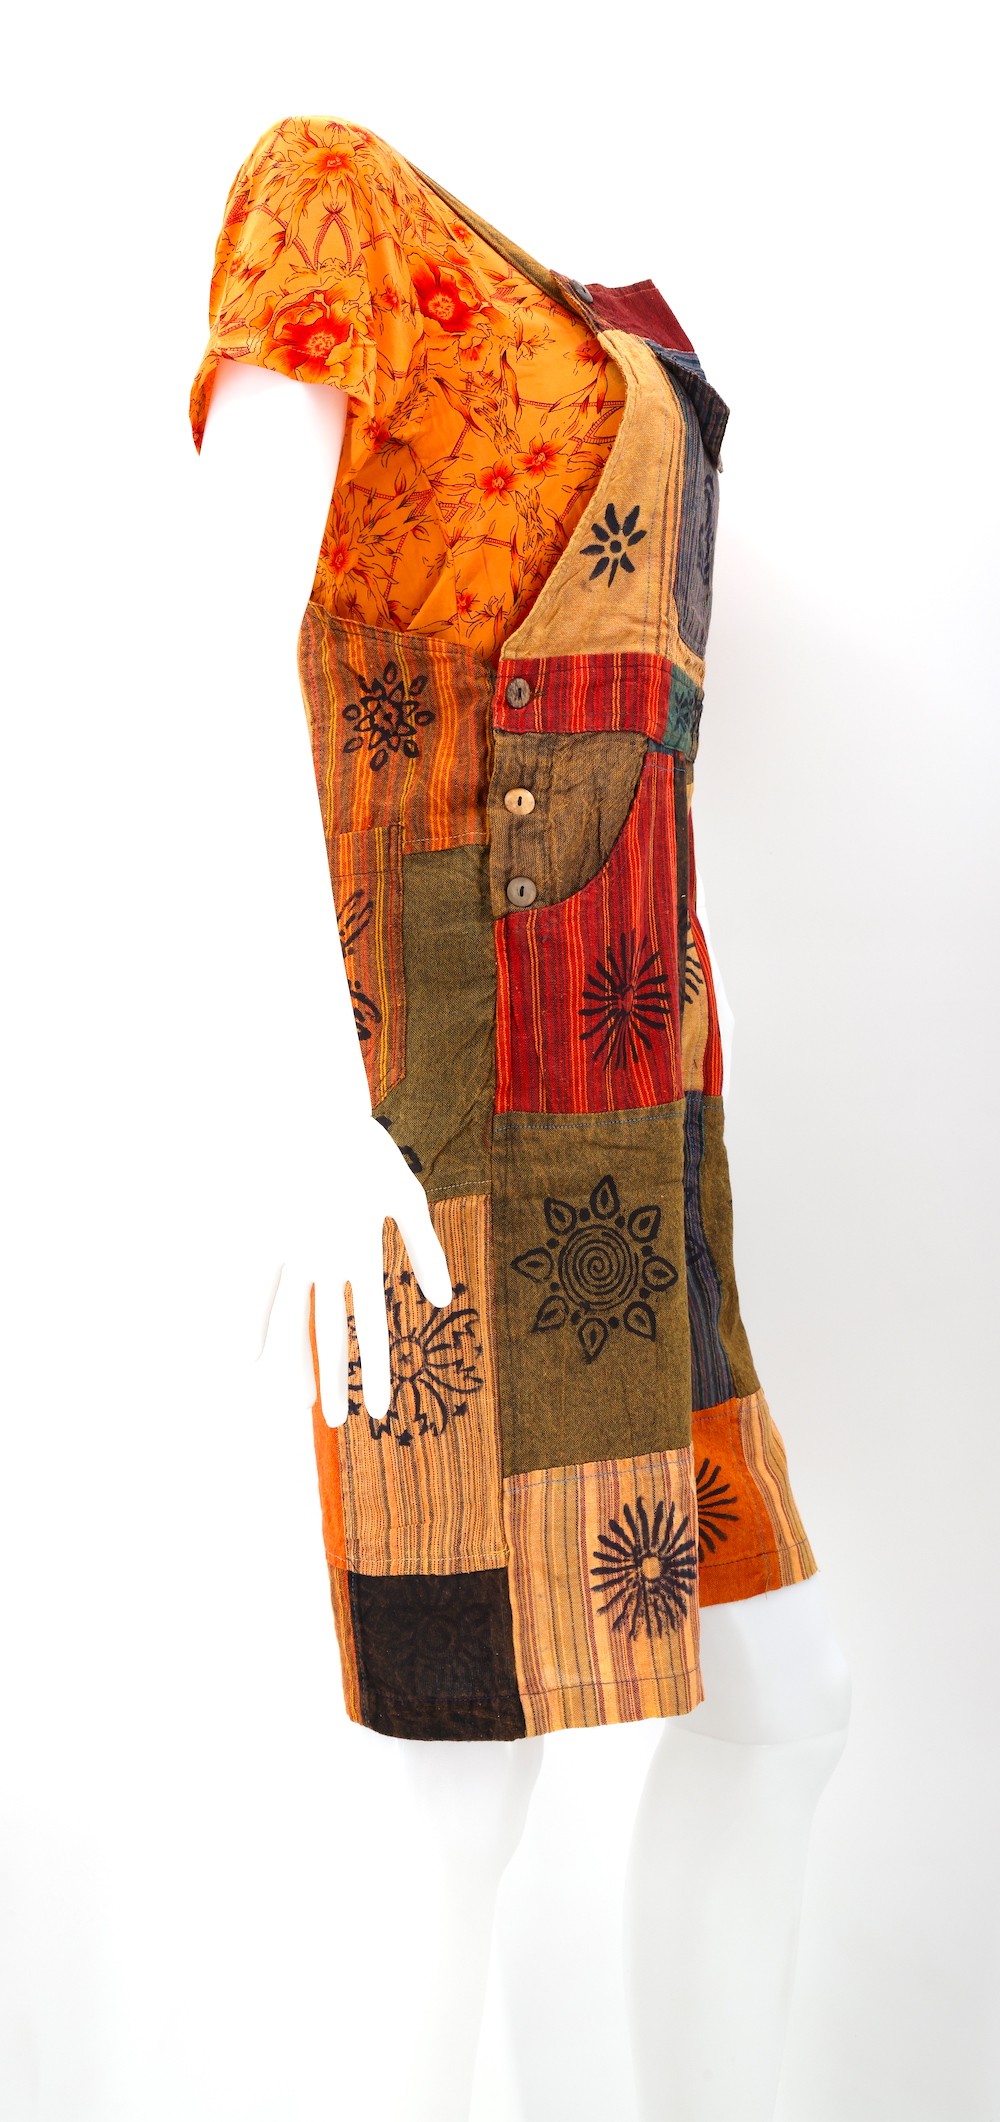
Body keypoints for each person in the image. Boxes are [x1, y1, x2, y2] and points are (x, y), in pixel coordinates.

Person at [192, 116, 853, 2121]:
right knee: (459, 1767)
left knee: (782, 1696)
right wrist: (306, 1107)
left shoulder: (603, 317)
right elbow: (208, 666)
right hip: (452, 1125)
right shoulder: (333, 198)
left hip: (646, 1121)